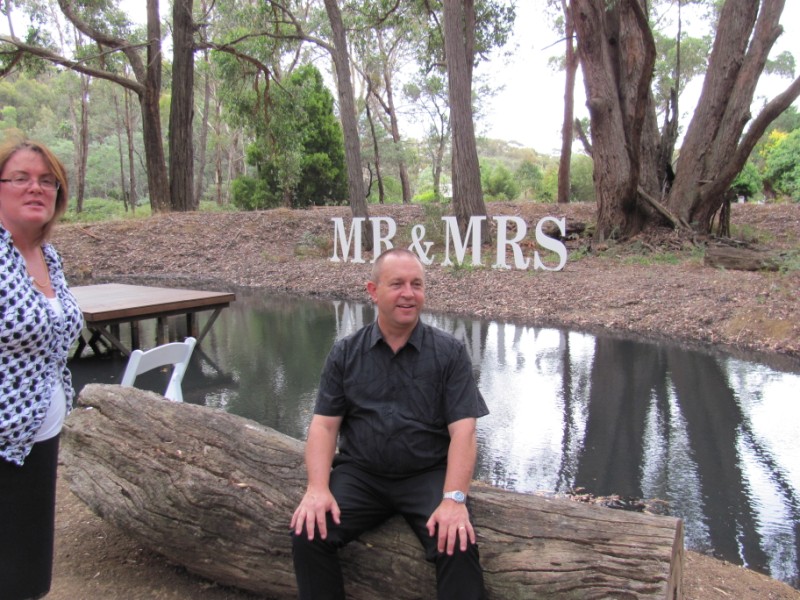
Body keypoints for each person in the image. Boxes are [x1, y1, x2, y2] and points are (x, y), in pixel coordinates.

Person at [290, 247, 489, 599]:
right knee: (309, 531)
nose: (408, 294)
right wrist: (317, 488)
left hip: (427, 475)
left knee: (458, 542)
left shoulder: (450, 353)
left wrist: (454, 499)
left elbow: (464, 432)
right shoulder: (345, 353)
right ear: (373, 291)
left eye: (417, 284)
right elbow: (324, 427)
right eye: (397, 284)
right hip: (361, 475)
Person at [0, 137, 84, 599]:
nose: (36, 188)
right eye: (21, 178)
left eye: (47, 181)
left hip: (40, 435)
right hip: (2, 438)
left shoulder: (47, 256)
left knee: (29, 573)